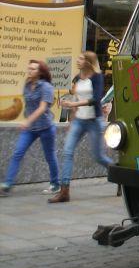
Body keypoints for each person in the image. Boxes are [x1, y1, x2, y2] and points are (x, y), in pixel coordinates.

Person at [49, 52, 113, 203]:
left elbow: (96, 99)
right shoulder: (78, 78)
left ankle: (120, 175)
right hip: (79, 120)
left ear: (89, 62)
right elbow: (76, 99)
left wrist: (73, 104)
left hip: (93, 121)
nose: (77, 61)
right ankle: (64, 191)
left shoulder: (97, 77)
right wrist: (72, 121)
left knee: (98, 157)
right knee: (67, 152)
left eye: (81, 59)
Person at [0, 60, 60, 196]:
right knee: (18, 153)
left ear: (40, 72)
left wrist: (27, 121)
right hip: (30, 128)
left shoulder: (46, 87)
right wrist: (27, 120)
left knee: (50, 156)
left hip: (45, 127)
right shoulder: (27, 85)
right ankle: (7, 185)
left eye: (33, 69)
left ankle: (55, 185)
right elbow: (29, 105)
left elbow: (42, 107)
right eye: (29, 68)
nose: (29, 71)